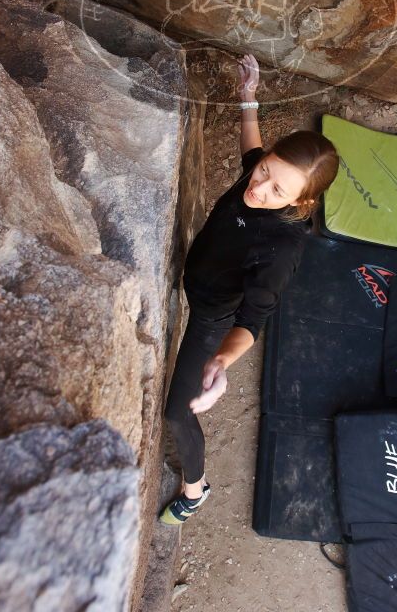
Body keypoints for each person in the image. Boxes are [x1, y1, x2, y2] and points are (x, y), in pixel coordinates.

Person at [159, 53, 339, 525]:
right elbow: (252, 154)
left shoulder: (281, 247)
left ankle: (195, 490)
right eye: (266, 172)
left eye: (277, 190)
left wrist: (220, 359)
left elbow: (253, 320)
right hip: (199, 279)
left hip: (211, 314)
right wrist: (247, 100)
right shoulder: (261, 172)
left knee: (177, 414)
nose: (259, 188)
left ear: (302, 201)